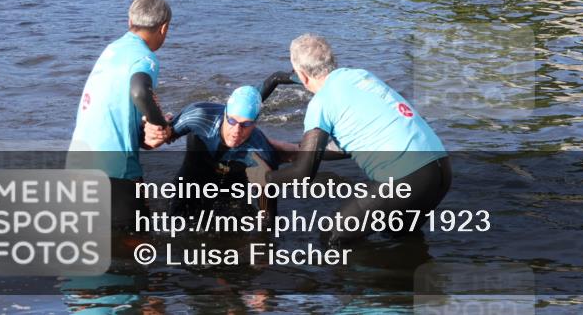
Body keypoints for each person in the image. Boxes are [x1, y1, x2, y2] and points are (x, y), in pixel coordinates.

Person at [262, 34, 451, 246]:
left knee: (334, 237)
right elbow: (355, 142)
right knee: (401, 240)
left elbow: (303, 175)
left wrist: (264, 178)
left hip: (405, 178)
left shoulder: (321, 102)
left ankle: (349, 278)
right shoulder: (361, 76)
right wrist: (298, 150)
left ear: (302, 75)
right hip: (440, 169)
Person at [67, 0, 173, 230]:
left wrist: (143, 129)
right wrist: (160, 125)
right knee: (136, 250)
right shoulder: (145, 58)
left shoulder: (112, 49)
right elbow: (139, 91)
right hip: (115, 172)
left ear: (129, 22)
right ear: (163, 28)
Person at [165, 84, 299, 216]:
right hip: (190, 180)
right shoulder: (198, 116)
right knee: (174, 223)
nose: (236, 131)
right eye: (232, 121)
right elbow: (159, 136)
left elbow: (268, 216)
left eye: (246, 124)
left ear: (255, 122)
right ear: (225, 113)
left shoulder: (261, 152)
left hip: (231, 192)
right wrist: (158, 125)